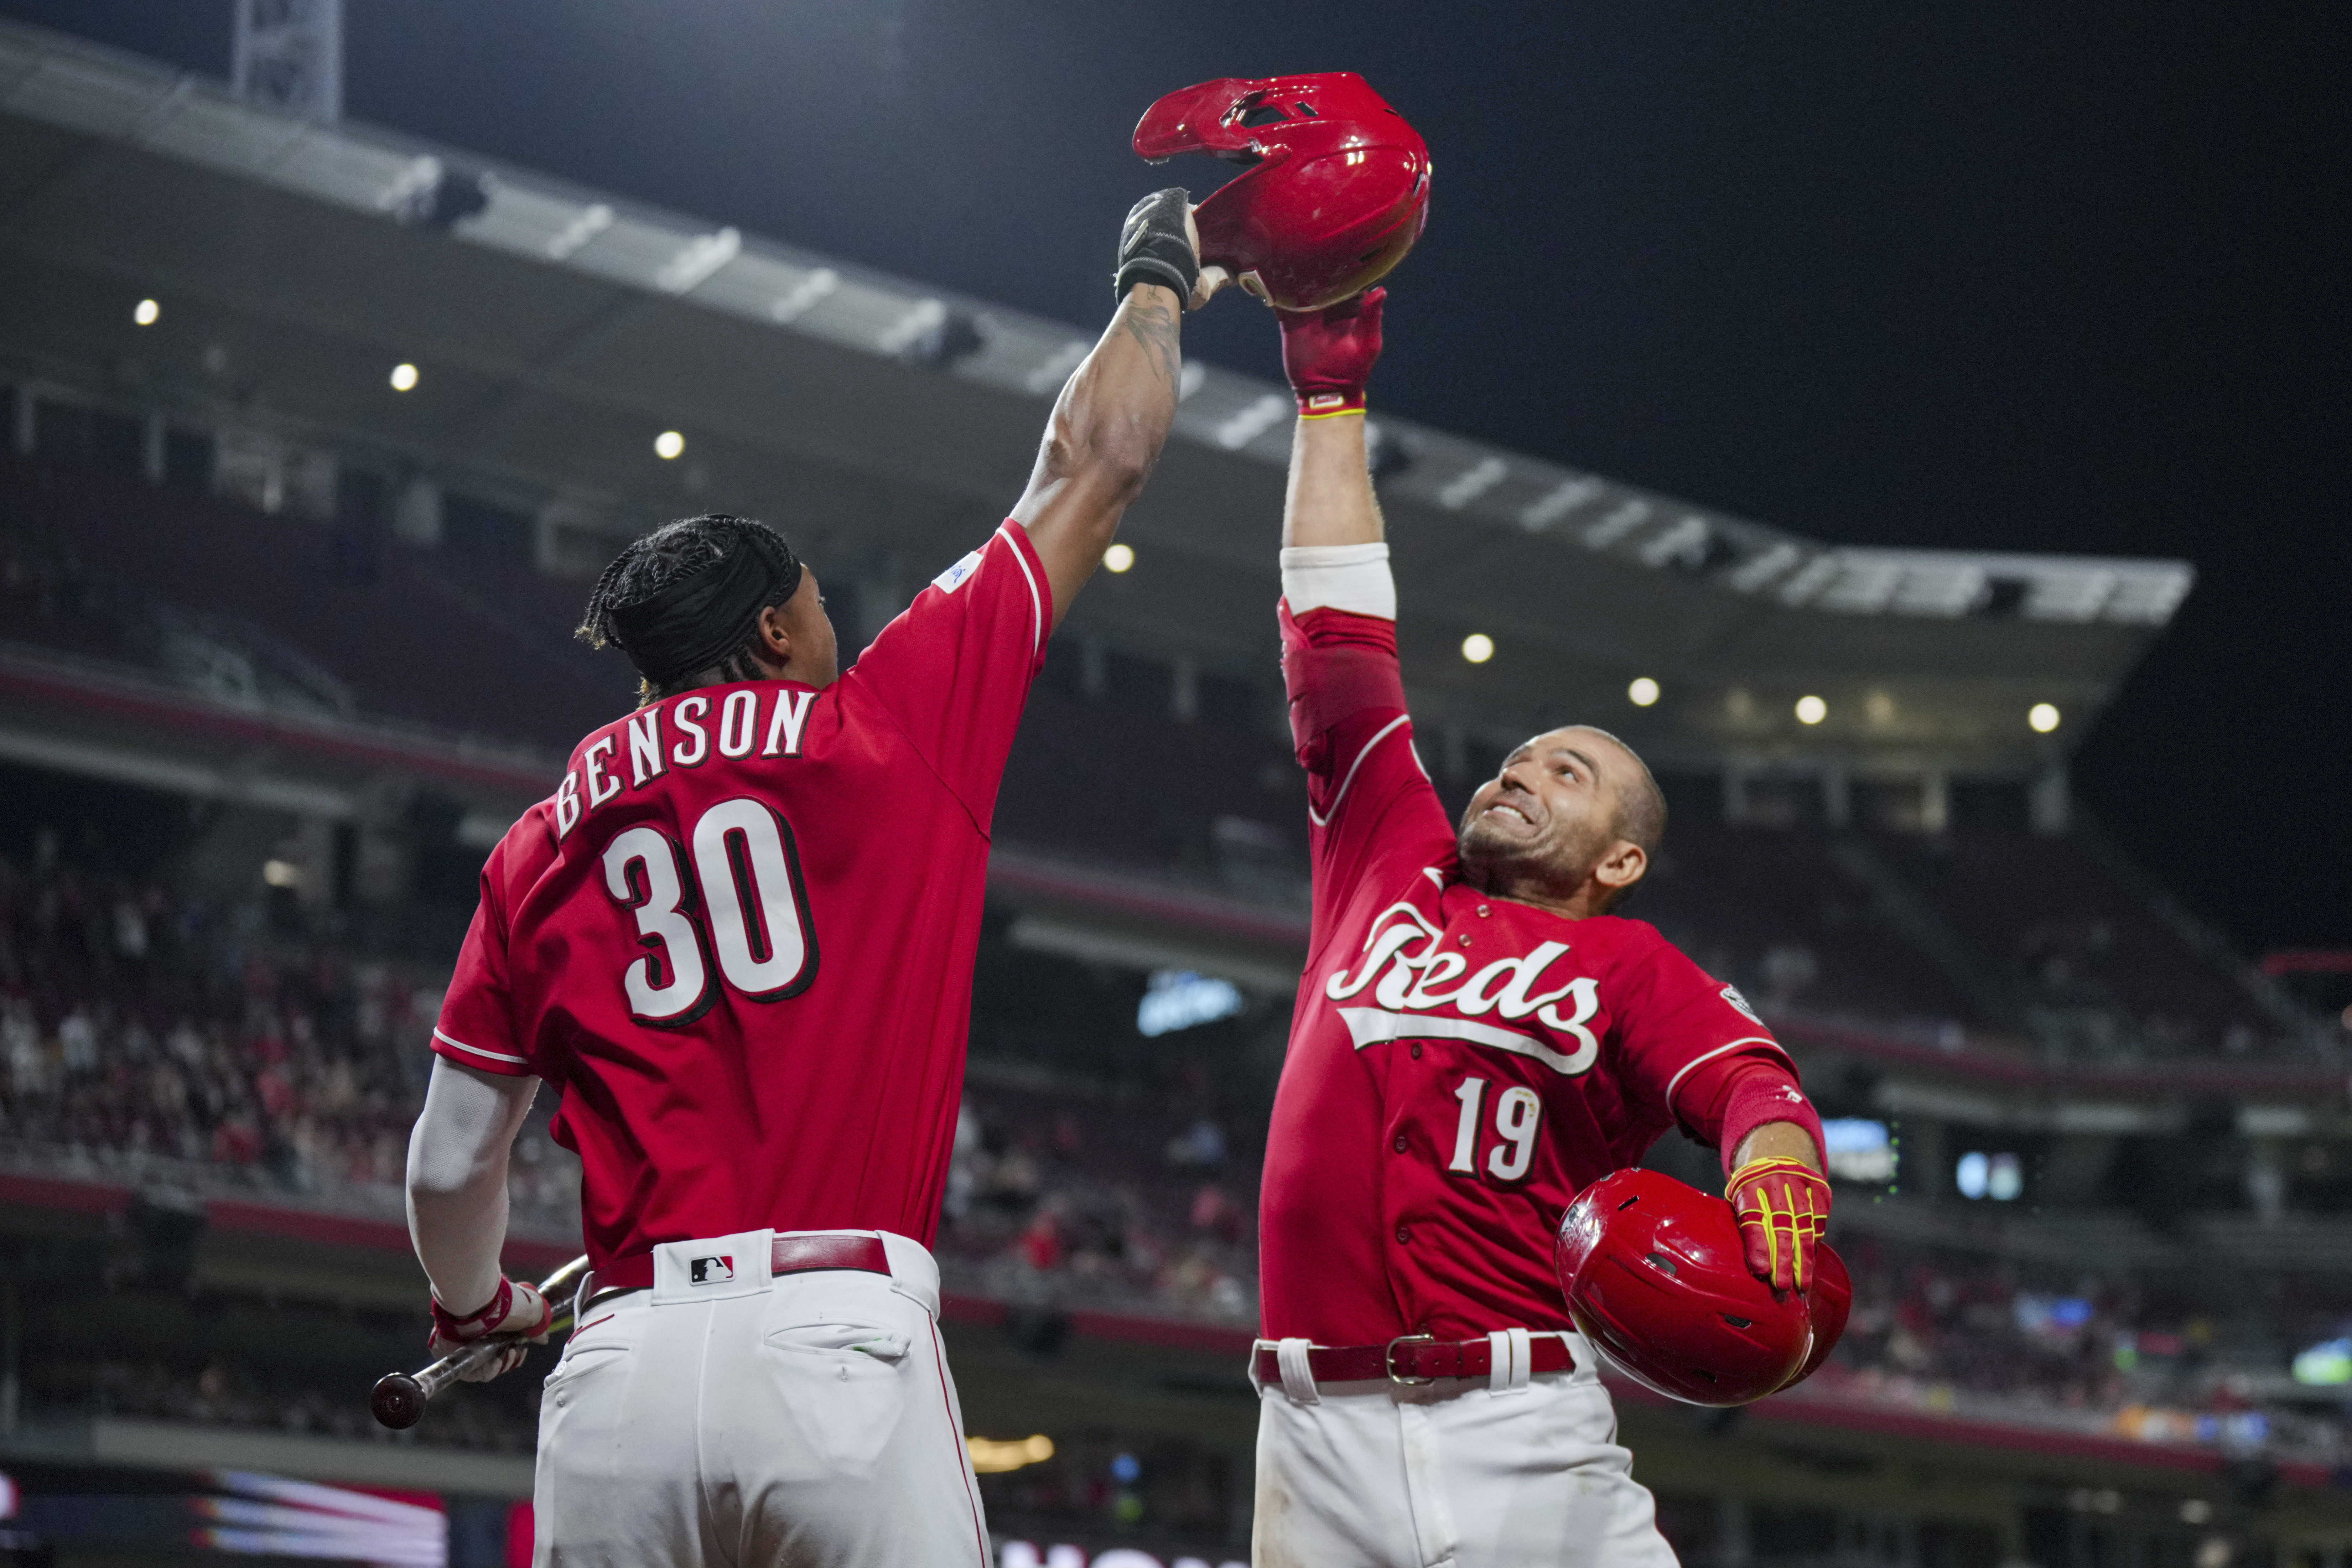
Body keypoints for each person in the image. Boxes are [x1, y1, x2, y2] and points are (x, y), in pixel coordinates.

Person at [401, 188, 1211, 1567]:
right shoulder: (884, 728)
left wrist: (477, 1315)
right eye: (826, 602)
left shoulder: (537, 844)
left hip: (619, 1374)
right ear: (776, 627)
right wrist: (1156, 278)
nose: (843, 623)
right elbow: (1099, 460)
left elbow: (446, 1166)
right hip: (835, 1348)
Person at [1249, 286, 1834, 1568]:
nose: (1517, 772)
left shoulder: (1626, 960)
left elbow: (1747, 1081)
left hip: (1515, 1423)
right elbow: (1337, 640)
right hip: (1306, 1430)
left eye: (1565, 773)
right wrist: (1329, 397)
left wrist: (1775, 1153)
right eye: (1515, 757)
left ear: (1621, 857)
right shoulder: (1384, 856)